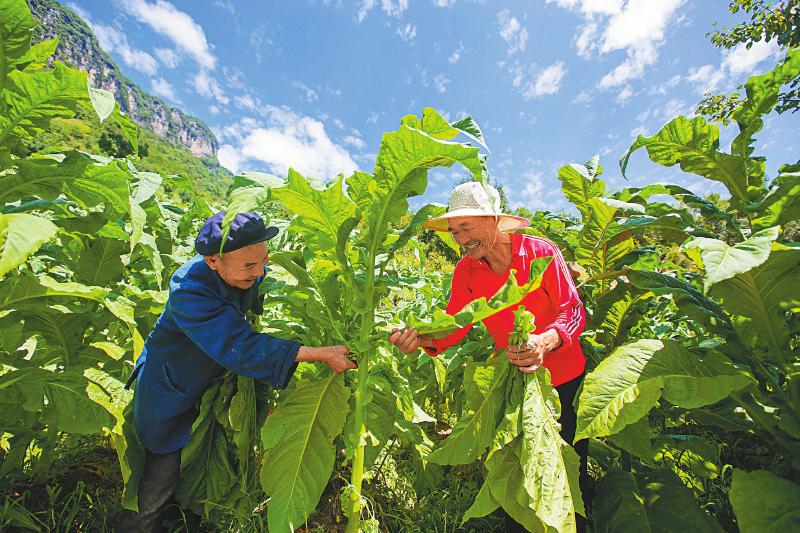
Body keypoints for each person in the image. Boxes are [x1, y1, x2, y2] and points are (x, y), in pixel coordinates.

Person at [121, 211, 357, 532]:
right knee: (161, 473)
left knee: (198, 464)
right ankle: (140, 526)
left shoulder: (243, 268)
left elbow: (254, 286)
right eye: (249, 266)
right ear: (213, 262)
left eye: (264, 261)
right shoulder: (190, 291)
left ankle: (184, 521)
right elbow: (240, 347)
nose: (260, 271)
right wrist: (319, 354)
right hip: (170, 385)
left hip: (208, 383)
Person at [388, 182, 589, 532]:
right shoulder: (466, 271)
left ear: (494, 219)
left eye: (466, 227)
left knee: (563, 464)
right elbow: (454, 326)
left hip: (562, 379)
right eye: (453, 231)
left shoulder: (541, 252)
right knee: (514, 465)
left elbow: (572, 310)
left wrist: (544, 341)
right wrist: (419, 338)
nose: (460, 239)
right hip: (511, 379)